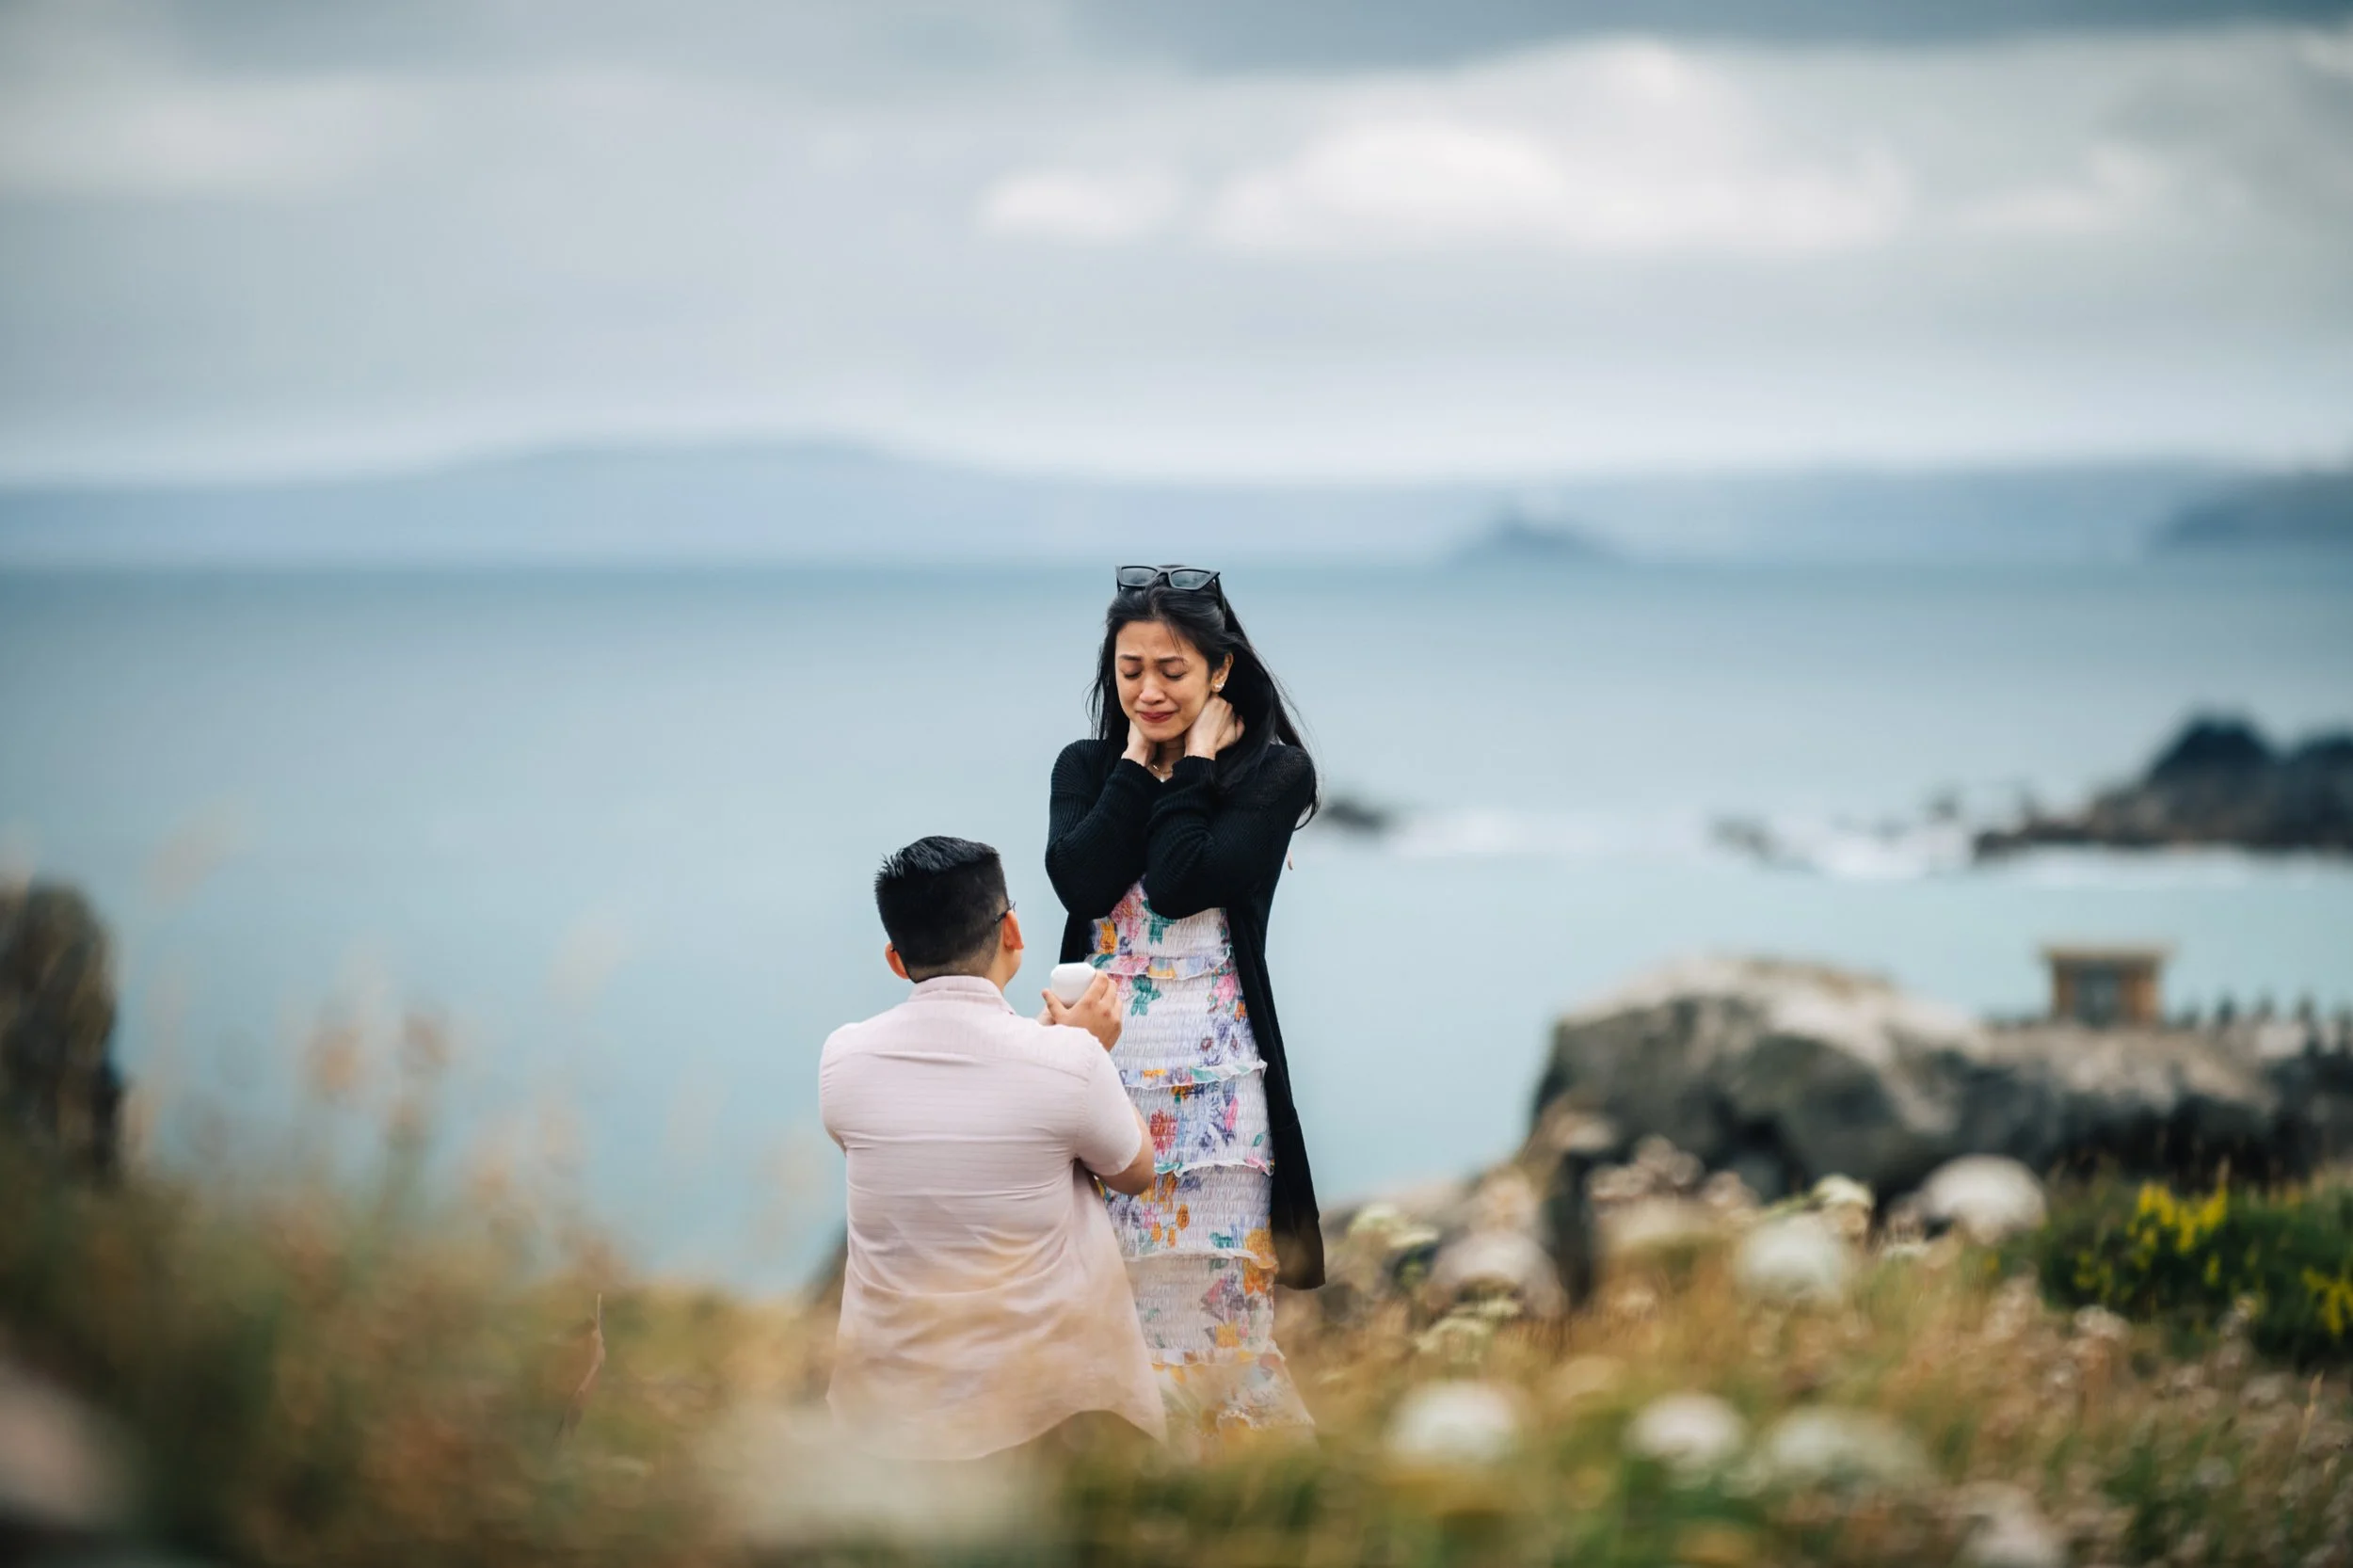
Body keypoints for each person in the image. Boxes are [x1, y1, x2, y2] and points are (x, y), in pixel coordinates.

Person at [1045, 565, 1321, 1453]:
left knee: (1225, 1325)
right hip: (1100, 1074)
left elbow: (1178, 881)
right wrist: (1138, 763)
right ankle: (1130, 1504)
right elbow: (1082, 878)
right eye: (1131, 670)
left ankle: (1261, 1502)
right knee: (1102, 1311)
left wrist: (1195, 763)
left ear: (1219, 672)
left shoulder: (1273, 774)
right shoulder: (1087, 766)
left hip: (1218, 1094)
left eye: (1172, 671)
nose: (1149, 690)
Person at [819, 835, 1164, 1460]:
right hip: (1040, 1420)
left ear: (897, 961)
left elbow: (959, 1108)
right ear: (1013, 932)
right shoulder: (1070, 1063)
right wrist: (1088, 1054)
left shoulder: (844, 1059)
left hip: (885, 1427)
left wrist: (1057, 1050)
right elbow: (1136, 1170)